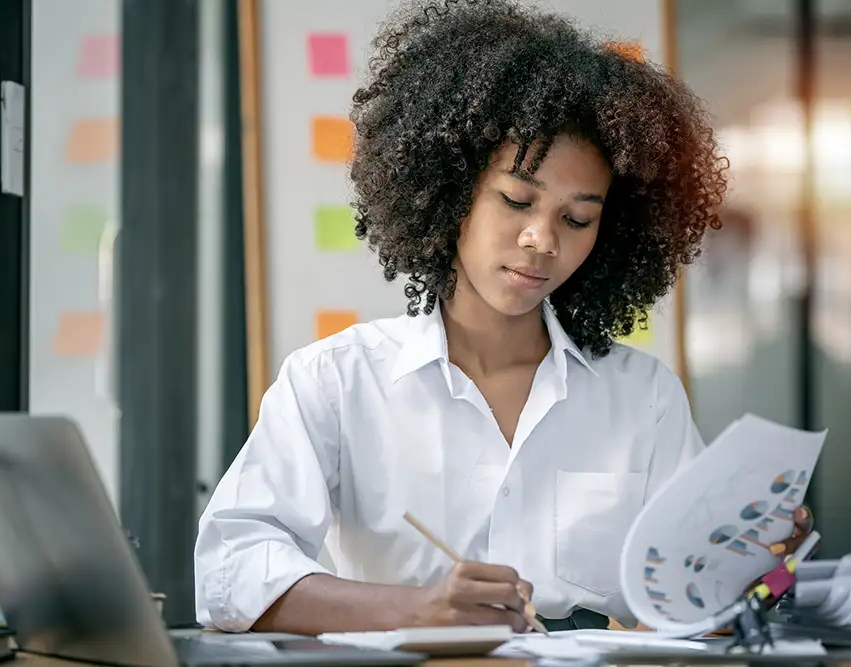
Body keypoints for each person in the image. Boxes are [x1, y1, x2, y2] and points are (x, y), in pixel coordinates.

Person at [194, 0, 813, 636]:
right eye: (517, 200)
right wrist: (418, 610)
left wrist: (769, 569)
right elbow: (229, 573)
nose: (542, 240)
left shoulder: (642, 397)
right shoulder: (338, 380)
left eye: (578, 219)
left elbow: (706, 616)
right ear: (452, 188)